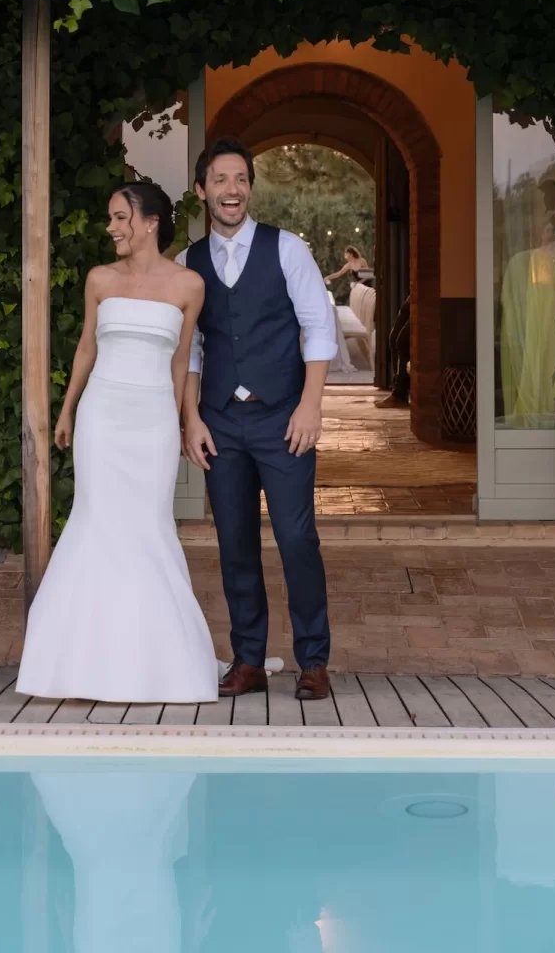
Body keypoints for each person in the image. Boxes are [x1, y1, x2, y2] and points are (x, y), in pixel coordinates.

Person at [15, 180, 218, 703]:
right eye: (110, 218)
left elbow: (183, 360)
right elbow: (87, 346)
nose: (111, 228)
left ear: (150, 222)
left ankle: (156, 663)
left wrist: (180, 420)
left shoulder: (189, 285)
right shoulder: (99, 279)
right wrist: (66, 409)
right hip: (101, 417)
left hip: (151, 418)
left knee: (147, 528)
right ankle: (80, 663)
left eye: (120, 217)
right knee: (96, 522)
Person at [178, 137, 338, 701]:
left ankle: (313, 660)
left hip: (282, 419)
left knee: (297, 538)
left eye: (241, 179)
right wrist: (190, 419)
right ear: (202, 191)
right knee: (235, 542)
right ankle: (248, 659)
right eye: (220, 180)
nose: (232, 190)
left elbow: (319, 327)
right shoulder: (187, 264)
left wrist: (311, 404)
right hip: (220, 423)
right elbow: (192, 349)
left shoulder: (287, 249)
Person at [375, 294, 410, 409]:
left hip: (428, 293)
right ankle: (399, 392)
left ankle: (400, 393)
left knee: (402, 341)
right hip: (415, 294)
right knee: (394, 337)